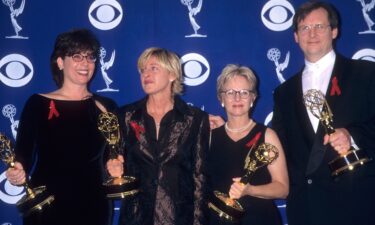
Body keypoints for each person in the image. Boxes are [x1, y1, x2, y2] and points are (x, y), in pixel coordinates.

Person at [271, 2, 375, 225]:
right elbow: (278, 147)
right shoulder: (283, 92)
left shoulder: (366, 74)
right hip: (305, 209)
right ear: (296, 37)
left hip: (358, 204)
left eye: (319, 26)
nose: (312, 33)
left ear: (334, 31)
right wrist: (234, 128)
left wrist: (352, 134)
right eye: (304, 28)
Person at [5, 28, 117, 225]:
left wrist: (117, 165)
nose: (85, 63)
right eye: (77, 56)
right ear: (59, 62)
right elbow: (24, 153)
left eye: (90, 57)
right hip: (48, 205)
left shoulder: (106, 106)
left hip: (94, 205)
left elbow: (115, 154)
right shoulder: (37, 103)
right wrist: (17, 170)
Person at [108, 47, 210, 225]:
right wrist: (112, 166)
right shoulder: (125, 116)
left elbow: (199, 177)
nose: (146, 74)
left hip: (177, 218)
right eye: (143, 70)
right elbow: (114, 159)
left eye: (154, 68)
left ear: (172, 74)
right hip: (135, 218)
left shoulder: (195, 119)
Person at [207, 64, 288, 225]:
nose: (237, 98)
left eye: (244, 92)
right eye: (230, 92)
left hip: (259, 219)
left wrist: (250, 189)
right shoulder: (209, 137)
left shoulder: (267, 136)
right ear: (221, 98)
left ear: (253, 98)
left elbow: (283, 189)